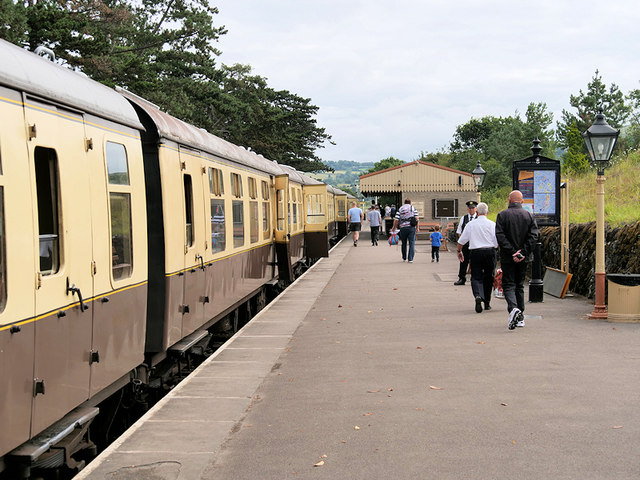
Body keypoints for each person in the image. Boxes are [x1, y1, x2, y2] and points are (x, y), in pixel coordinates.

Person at [495, 190, 540, 330]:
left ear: (509, 200)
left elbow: (500, 236)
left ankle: (514, 309)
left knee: (508, 284)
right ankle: (520, 316)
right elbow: (534, 236)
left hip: (508, 257)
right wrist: (522, 253)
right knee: (519, 285)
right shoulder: (529, 216)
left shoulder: (502, 215)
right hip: (523, 258)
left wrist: (512, 251)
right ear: (522, 201)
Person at [457, 202, 498, 313]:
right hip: (490, 252)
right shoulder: (492, 224)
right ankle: (487, 302)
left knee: (476, 276)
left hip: (476, 252)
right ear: (487, 213)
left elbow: (461, 241)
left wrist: (459, 251)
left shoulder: (471, 224)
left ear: (477, 212)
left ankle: (478, 295)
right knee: (489, 277)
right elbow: (496, 242)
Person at [453, 200, 478, 285]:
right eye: (470, 208)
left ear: (476, 209)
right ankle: (462, 278)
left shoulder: (479, 218)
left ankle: (475, 279)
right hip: (466, 244)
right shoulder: (464, 218)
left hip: (475, 244)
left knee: (475, 262)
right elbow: (459, 231)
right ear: (467, 209)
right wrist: (462, 241)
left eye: (473, 208)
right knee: (463, 261)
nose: (471, 210)